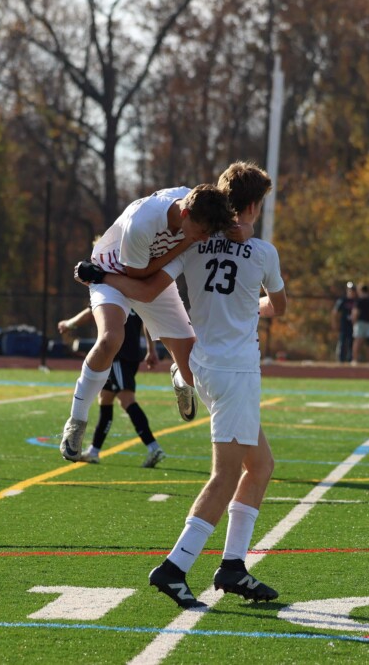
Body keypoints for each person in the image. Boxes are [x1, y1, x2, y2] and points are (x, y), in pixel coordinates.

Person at [77, 161, 286, 609]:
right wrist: (253, 302)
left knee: (261, 466)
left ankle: (233, 567)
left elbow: (148, 289)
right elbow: (279, 307)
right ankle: (175, 567)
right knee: (226, 475)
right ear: (252, 205)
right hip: (235, 372)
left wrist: (101, 276)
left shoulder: (194, 247)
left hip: (204, 367)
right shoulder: (263, 252)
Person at [57, 184, 237, 462]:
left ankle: (180, 376)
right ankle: (77, 421)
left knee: (194, 371)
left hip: (146, 278)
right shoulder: (143, 222)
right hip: (112, 273)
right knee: (110, 339)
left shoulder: (197, 207)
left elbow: (236, 230)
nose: (204, 239)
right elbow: (139, 279)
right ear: (185, 212)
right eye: (202, 232)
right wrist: (184, 245)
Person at [57, 308, 165, 468]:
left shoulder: (111, 285)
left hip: (118, 354)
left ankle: (153, 447)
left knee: (126, 400)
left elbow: (90, 311)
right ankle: (94, 451)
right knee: (105, 398)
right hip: (129, 353)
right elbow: (148, 319)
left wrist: (69, 324)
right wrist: (151, 349)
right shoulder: (136, 287)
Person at [350, 284, 369, 364]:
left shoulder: (359, 301)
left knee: (358, 341)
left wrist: (354, 322)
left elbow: (355, 312)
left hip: (360, 323)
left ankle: (354, 360)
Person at [330, 281, 356, 363]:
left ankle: (350, 360)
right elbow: (335, 312)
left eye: (352, 290)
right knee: (342, 342)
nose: (351, 291)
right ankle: (341, 360)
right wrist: (335, 323)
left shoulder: (356, 301)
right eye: (349, 290)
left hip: (353, 325)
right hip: (344, 325)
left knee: (352, 343)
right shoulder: (343, 300)